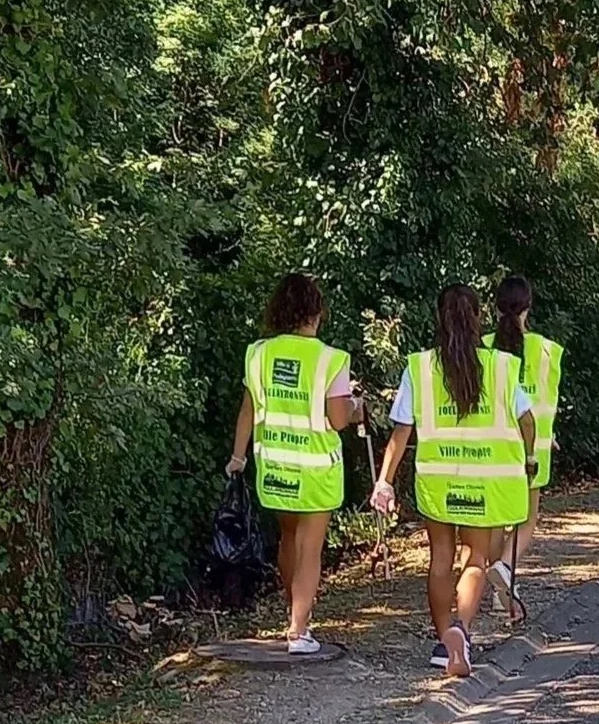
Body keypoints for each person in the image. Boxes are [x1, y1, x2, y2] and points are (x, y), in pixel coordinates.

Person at [371, 285, 537, 678]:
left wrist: (385, 481)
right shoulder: (500, 366)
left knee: (440, 559)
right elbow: (527, 420)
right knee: (477, 559)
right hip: (485, 482)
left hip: (438, 480)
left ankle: (444, 638)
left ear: (438, 319)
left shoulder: (420, 367)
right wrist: (528, 457)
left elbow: (401, 431)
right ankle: (461, 629)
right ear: (479, 317)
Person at [227, 273, 359, 655]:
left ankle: (293, 611)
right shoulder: (331, 359)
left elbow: (248, 407)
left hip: (275, 466)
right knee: (310, 548)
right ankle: (299, 631)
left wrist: (238, 457)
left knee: (288, 539)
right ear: (316, 312)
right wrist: (355, 407)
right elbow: (337, 419)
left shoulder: (258, 353)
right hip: (316, 469)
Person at [484, 275, 564, 625]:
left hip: (490, 446)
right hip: (533, 447)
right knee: (527, 519)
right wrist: (549, 434)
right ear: (529, 307)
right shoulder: (547, 350)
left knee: (494, 521)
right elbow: (547, 402)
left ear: (495, 306)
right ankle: (504, 568)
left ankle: (499, 591)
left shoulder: (482, 346)